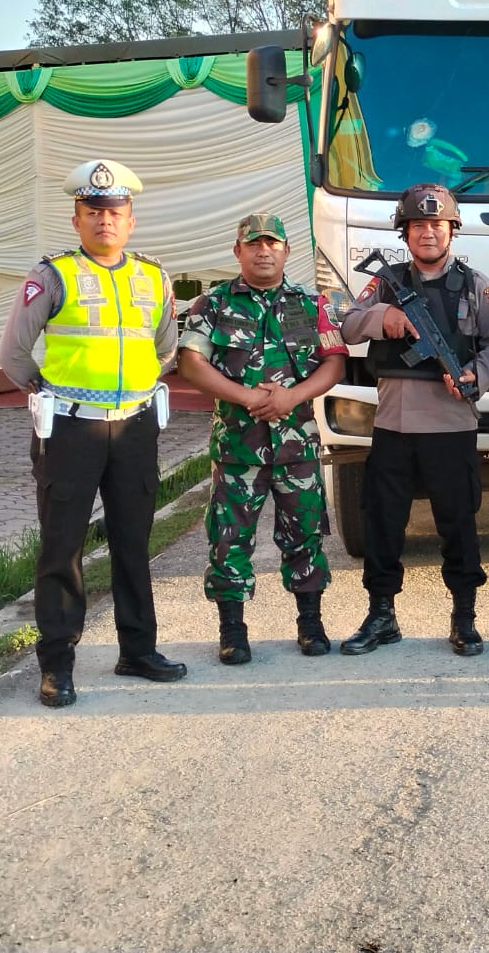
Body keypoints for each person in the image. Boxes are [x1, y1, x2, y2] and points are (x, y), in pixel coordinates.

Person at [0, 159, 186, 708]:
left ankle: (138, 650)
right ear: (76, 219)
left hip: (135, 427)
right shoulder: (51, 275)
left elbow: (166, 347)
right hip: (70, 429)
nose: (106, 221)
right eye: (94, 212)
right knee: (63, 547)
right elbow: (13, 353)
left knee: (134, 541)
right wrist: (51, 390)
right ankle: (57, 664)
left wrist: (135, 390)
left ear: (131, 220)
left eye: (115, 212)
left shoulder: (153, 277)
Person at [335, 183, 489, 656]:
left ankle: (464, 616)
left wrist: (474, 375)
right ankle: (381, 614)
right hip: (393, 424)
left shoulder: (475, 285)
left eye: (436, 224)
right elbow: (347, 325)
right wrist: (383, 318)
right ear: (405, 233)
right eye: (418, 225)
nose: (428, 232)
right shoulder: (385, 283)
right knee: (383, 523)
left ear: (452, 230)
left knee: (458, 523)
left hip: (451, 426)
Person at [176, 213, 346, 665]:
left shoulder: (311, 304)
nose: (263, 251)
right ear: (238, 251)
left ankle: (310, 623)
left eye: (272, 243)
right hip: (238, 448)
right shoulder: (213, 304)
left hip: (297, 446)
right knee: (229, 540)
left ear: (287, 250)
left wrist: (291, 397)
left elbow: (334, 362)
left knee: (305, 535)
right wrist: (249, 397)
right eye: (254, 244)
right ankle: (232, 630)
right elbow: (191, 363)